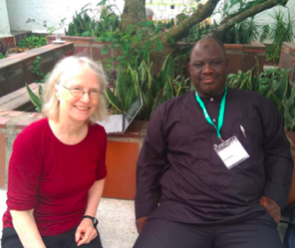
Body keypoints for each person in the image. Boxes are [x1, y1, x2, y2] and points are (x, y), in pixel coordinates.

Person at [133, 38, 294, 248]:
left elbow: (279, 152)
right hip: (179, 216)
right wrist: (144, 210)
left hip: (245, 216)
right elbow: (149, 163)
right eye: (199, 64)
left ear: (227, 64)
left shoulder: (258, 106)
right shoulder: (168, 112)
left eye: (215, 62)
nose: (207, 70)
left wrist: (274, 196)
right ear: (189, 68)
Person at [1, 56, 109, 248]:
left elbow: (98, 178)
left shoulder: (97, 134)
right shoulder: (31, 140)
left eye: (93, 92)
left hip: (74, 227)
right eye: (77, 89)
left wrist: (89, 218)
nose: (86, 99)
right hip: (28, 231)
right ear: (57, 90)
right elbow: (21, 213)